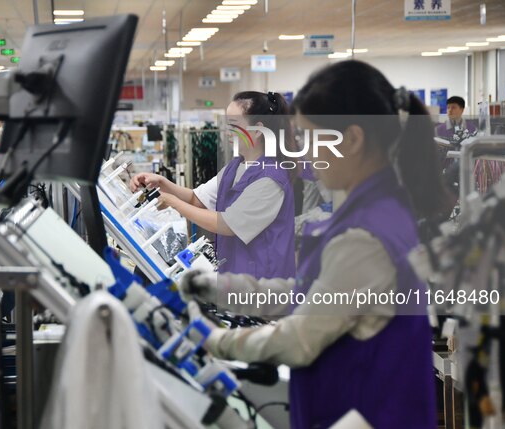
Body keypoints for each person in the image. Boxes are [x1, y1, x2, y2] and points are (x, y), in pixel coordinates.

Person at [181, 60, 450, 428]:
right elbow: (310, 293)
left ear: (353, 139)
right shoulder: (374, 209)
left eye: (312, 137)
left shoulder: (367, 235)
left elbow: (299, 339)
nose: (304, 151)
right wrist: (222, 289)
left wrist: (215, 342)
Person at [130, 91, 296, 279]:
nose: (226, 131)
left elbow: (227, 225)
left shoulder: (270, 178)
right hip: (237, 277)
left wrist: (173, 202)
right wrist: (161, 183)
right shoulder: (235, 166)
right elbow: (196, 198)